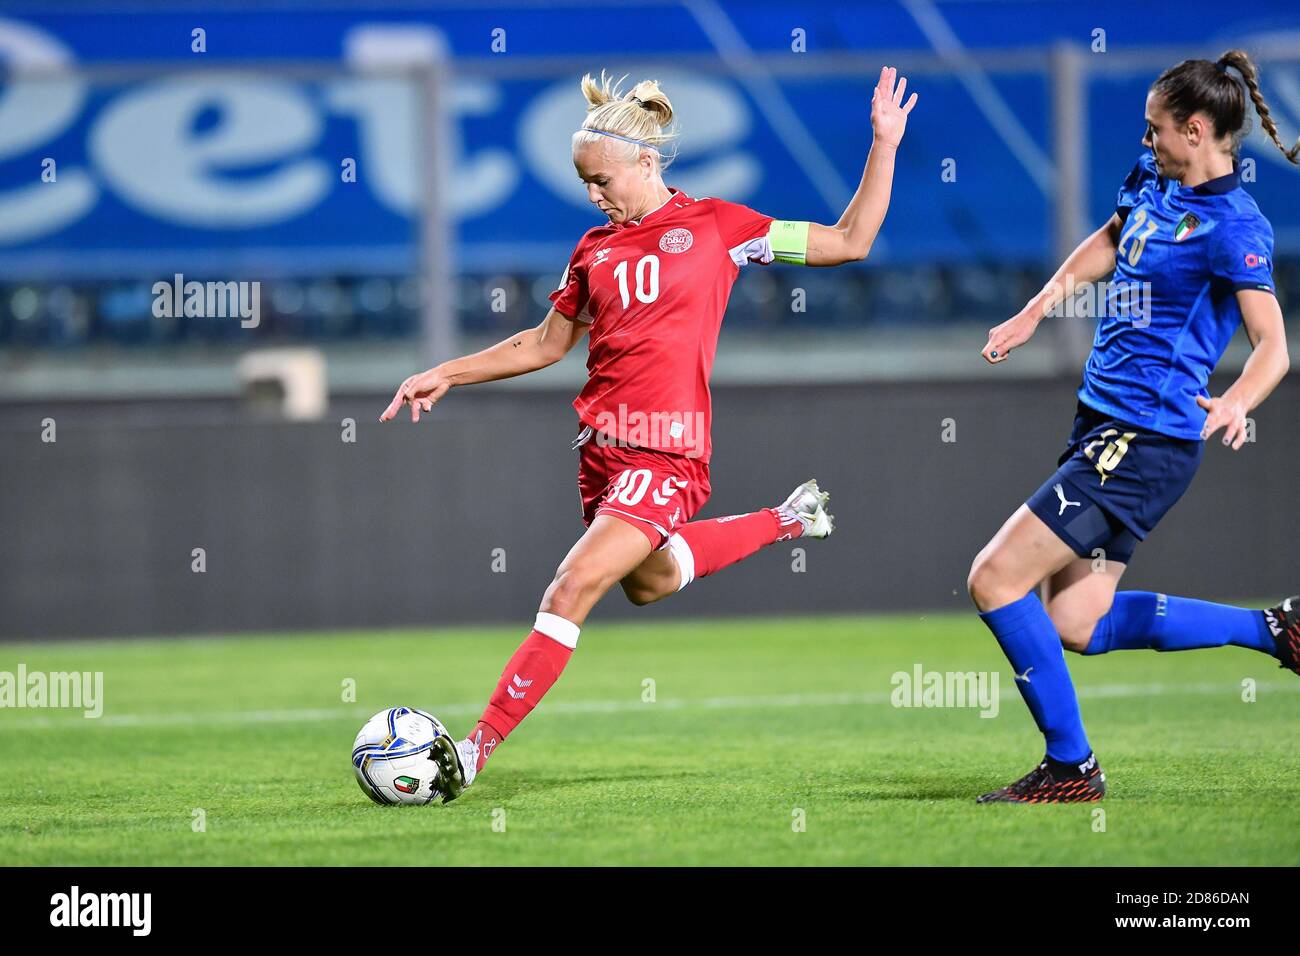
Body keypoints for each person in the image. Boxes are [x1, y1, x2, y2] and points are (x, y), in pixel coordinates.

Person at [380, 67, 919, 801]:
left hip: (667, 450)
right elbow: (544, 344)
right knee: (651, 583)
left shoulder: (723, 230)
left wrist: (883, 144)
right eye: (585, 184)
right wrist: (448, 370)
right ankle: (791, 517)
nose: (595, 195)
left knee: (571, 587)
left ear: (646, 161)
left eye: (602, 180)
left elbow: (851, 241)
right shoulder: (591, 249)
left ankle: (473, 751)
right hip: (600, 452)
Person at [969, 49, 1297, 803]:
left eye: (1156, 130)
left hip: (1145, 438)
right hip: (1105, 425)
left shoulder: (1234, 225)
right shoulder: (1158, 178)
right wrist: (1036, 308)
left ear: (1195, 129)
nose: (1145, 140)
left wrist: (1241, 398)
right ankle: (1277, 632)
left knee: (993, 577)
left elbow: (1273, 344)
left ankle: (1071, 768)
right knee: (1078, 622)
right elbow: (1114, 239)